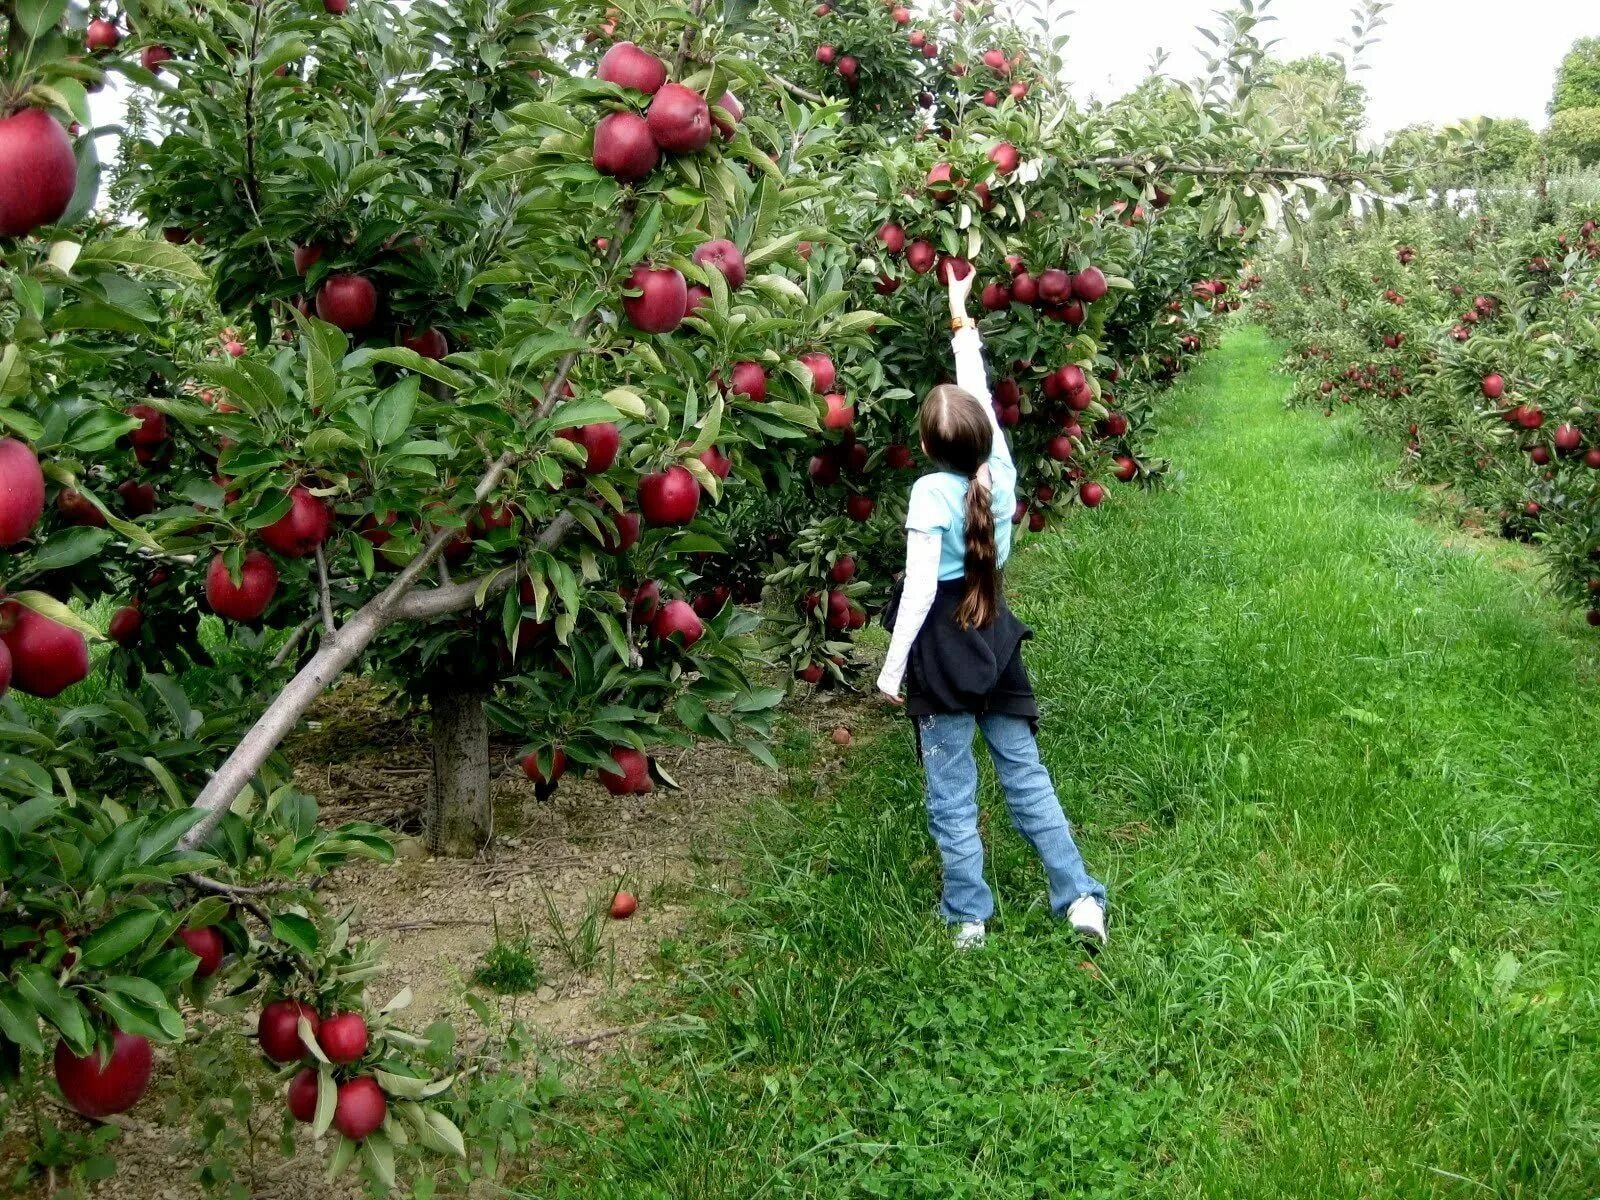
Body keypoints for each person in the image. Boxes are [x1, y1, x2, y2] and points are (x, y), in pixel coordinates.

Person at [876, 267, 1107, 951]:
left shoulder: (928, 494)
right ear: (982, 434)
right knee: (1025, 777)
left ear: (925, 448)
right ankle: (1080, 899)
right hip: (995, 638)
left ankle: (969, 917)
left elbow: (919, 592)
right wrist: (960, 315)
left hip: (943, 657)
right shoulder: (997, 473)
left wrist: (891, 672)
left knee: (952, 791)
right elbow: (974, 391)